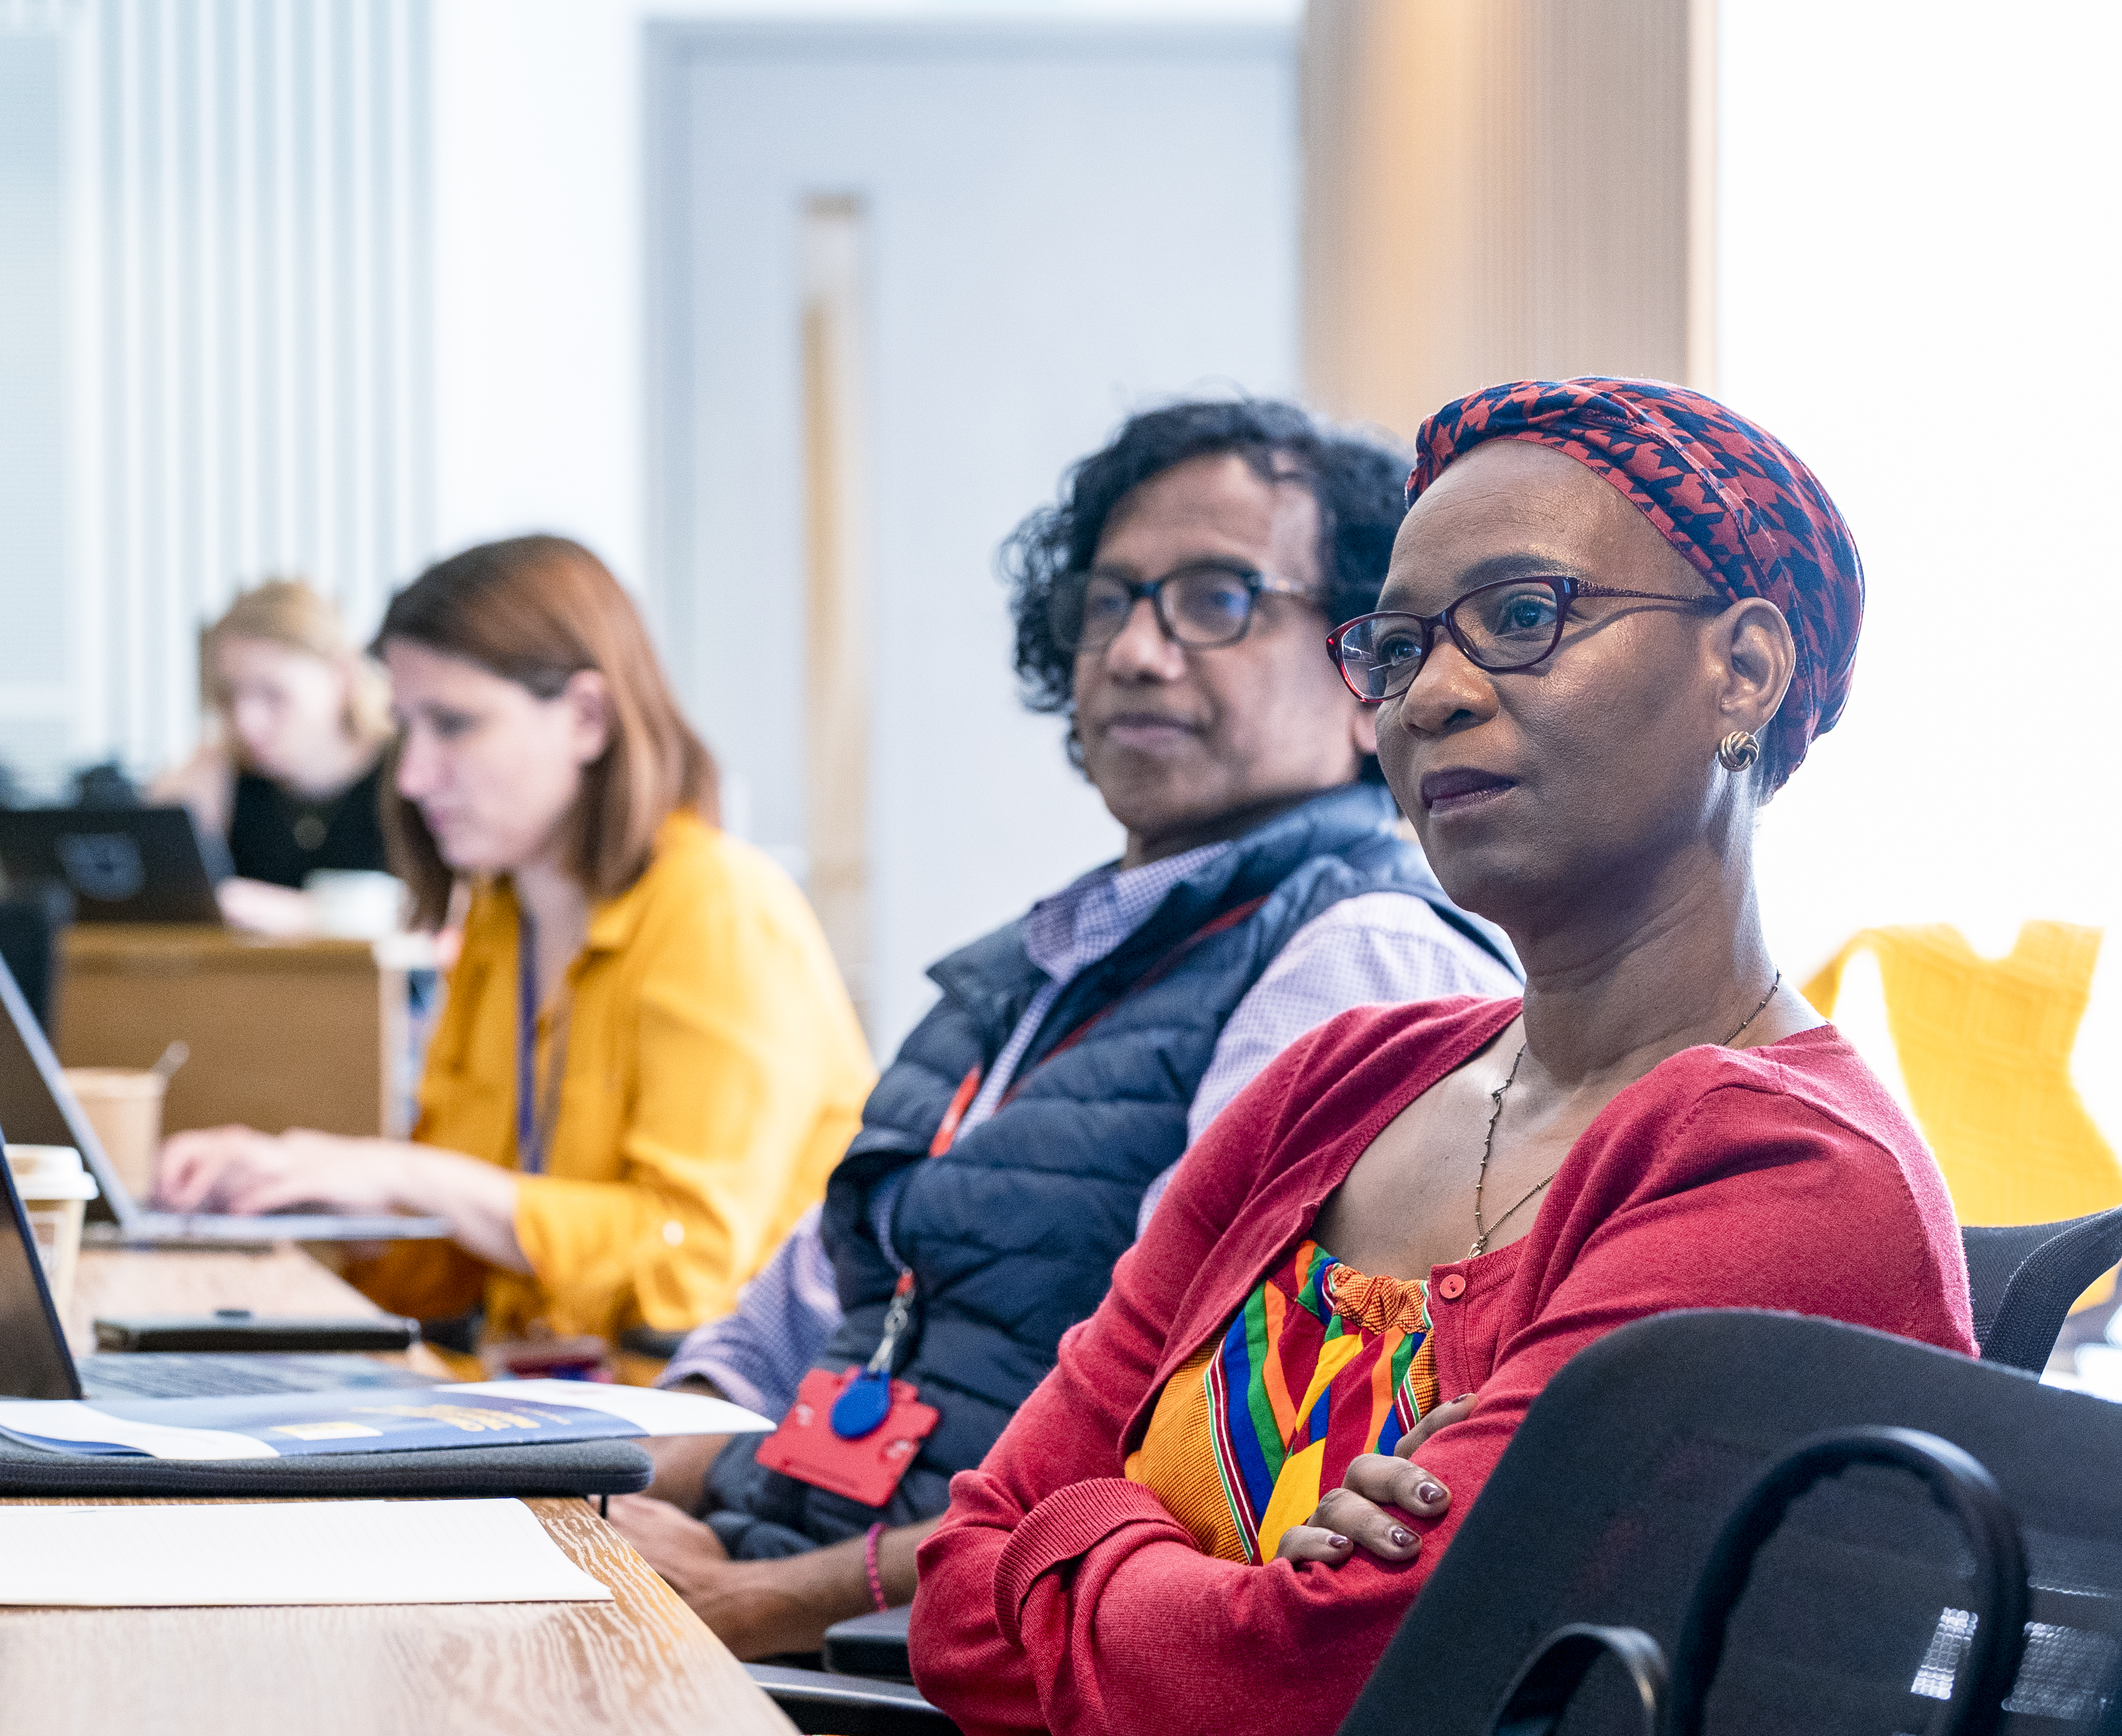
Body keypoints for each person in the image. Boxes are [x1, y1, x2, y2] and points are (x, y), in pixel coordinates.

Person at [908, 378, 1975, 1736]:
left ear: (1744, 671)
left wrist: (1092, 1539)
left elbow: (1319, 1678)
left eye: (1525, 619)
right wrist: (1207, 1597)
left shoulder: (1788, 1169)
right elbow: (955, 1574)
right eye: (1399, 650)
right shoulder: (1338, 1084)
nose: (1430, 701)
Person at [606, 400, 1520, 1659]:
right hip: (793, 1570)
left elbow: (1180, 1449)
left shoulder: (1357, 956)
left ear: (1366, 667)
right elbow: (798, 1309)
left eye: (1215, 601)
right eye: (1108, 602)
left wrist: (754, 1601)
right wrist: (614, 1475)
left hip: (932, 1655)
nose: (1136, 653)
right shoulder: (1046, 960)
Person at [154, 535, 875, 1344]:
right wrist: (329, 1197)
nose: (413, 775)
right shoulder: (499, 918)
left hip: (690, 1424)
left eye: (454, 726)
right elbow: (453, 1273)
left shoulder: (721, 908)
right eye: (406, 728)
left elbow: (690, 1266)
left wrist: (406, 1176)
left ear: (587, 718)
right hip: (542, 1398)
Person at [149, 579, 395, 935]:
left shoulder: (410, 774)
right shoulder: (219, 780)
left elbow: (434, 917)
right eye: (230, 696)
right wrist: (182, 831)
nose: (246, 722)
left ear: (341, 677)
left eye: (273, 694)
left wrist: (307, 917)